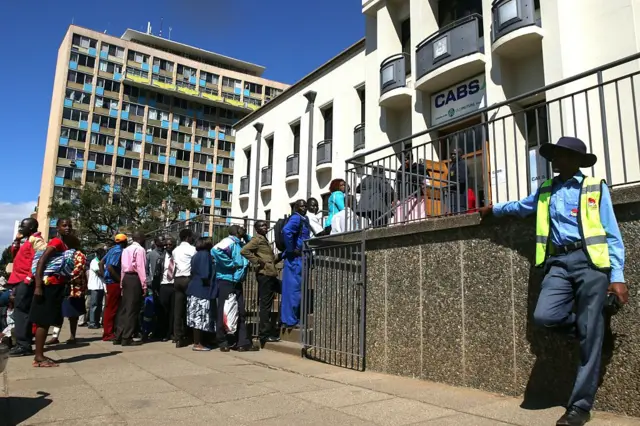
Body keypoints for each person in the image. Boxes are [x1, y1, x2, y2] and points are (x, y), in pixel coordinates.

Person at [479, 136, 628, 426]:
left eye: (559, 156)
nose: (553, 161)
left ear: (574, 160)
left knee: (589, 338)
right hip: (557, 264)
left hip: (592, 264)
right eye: (554, 156)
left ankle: (580, 407)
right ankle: (593, 331)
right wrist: (494, 210)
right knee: (544, 316)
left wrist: (617, 277)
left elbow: (611, 233)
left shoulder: (594, 187)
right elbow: (522, 207)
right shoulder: (547, 189)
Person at [30, 218, 75, 367]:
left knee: (47, 320)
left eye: (69, 226)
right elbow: (42, 260)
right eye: (64, 225)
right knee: (43, 321)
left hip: (55, 286)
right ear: (58, 228)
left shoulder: (63, 244)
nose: (67, 228)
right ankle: (39, 357)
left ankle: (40, 355)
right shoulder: (56, 242)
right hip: (48, 285)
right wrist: (38, 286)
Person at [211, 225, 256, 352]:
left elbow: (253, 243)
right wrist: (231, 264)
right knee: (225, 311)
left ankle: (242, 342)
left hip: (236, 281)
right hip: (226, 280)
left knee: (241, 312)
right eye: (241, 228)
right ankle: (223, 341)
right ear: (236, 232)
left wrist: (245, 236)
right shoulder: (228, 241)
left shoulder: (240, 243)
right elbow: (215, 250)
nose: (243, 229)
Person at [7, 218, 46, 357]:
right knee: (21, 311)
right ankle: (24, 342)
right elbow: (15, 255)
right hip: (19, 279)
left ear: (32, 227)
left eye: (24, 226)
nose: (20, 228)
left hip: (25, 280)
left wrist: (30, 277)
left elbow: (39, 259)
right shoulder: (28, 240)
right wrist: (17, 241)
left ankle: (23, 345)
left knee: (21, 311)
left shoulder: (37, 240)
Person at [241, 220, 282, 345]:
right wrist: (258, 261)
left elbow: (269, 258)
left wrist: (281, 255)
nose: (265, 227)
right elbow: (244, 251)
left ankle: (280, 322)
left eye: (265, 225)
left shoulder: (264, 240)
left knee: (286, 290)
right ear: (256, 229)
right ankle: (264, 334)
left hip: (270, 274)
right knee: (265, 305)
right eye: (262, 226)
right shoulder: (257, 239)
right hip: (264, 275)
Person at [113, 231, 147, 346]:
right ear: (140, 238)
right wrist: (144, 285)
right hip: (134, 278)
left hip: (126, 278)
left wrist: (122, 283)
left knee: (124, 308)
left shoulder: (126, 250)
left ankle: (118, 335)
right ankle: (127, 337)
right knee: (132, 309)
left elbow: (123, 268)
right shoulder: (140, 250)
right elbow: (140, 268)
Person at [281, 200, 310, 328]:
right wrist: (292, 248)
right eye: (302, 206)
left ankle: (289, 319)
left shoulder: (303, 219)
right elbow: (286, 231)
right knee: (294, 290)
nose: (304, 208)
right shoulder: (297, 219)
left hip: (297, 258)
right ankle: (290, 320)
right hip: (296, 259)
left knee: (292, 289)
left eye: (305, 206)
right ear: (296, 208)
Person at [186, 238, 216, 351]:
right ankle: (198, 343)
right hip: (201, 290)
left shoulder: (196, 255)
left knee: (196, 317)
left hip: (194, 288)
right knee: (200, 317)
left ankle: (199, 341)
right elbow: (205, 273)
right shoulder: (205, 255)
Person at [100, 235, 128, 341]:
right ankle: (108, 333)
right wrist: (120, 280)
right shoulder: (119, 251)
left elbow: (101, 263)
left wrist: (104, 277)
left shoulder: (111, 250)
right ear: (124, 242)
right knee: (112, 308)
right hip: (114, 282)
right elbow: (111, 267)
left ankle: (109, 331)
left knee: (109, 307)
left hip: (109, 282)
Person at [172, 229, 196, 348]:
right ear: (187, 237)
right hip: (188, 278)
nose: (193, 239)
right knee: (190, 307)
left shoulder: (175, 250)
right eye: (191, 237)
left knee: (178, 309)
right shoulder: (192, 249)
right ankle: (190, 334)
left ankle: (178, 337)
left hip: (177, 279)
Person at [153, 237, 176, 342]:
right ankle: (163, 332)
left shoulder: (178, 256)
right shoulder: (161, 258)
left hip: (174, 285)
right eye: (165, 245)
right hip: (164, 285)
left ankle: (171, 333)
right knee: (164, 311)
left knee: (173, 311)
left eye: (169, 244)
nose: (167, 247)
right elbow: (157, 274)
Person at [87, 249, 105, 329]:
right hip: (95, 286)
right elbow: (100, 273)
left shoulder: (102, 262)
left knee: (99, 305)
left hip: (101, 286)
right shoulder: (94, 262)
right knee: (94, 305)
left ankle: (97, 321)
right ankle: (92, 322)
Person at [447, 148, 468, 214]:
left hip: (460, 197)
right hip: (453, 197)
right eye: (451, 154)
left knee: (459, 215)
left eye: (454, 154)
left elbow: (462, 180)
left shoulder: (461, 164)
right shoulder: (453, 165)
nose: (452, 155)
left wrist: (452, 185)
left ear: (460, 154)